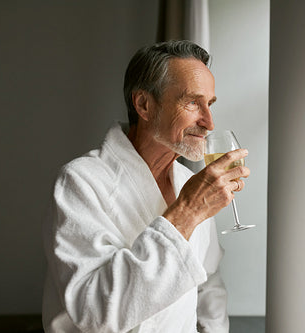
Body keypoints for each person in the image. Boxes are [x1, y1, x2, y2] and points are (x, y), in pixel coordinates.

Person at [42, 40, 250, 333]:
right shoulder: (80, 182)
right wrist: (187, 212)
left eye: (210, 104)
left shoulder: (190, 184)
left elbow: (207, 281)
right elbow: (95, 313)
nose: (209, 122)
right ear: (144, 105)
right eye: (193, 102)